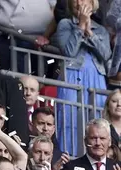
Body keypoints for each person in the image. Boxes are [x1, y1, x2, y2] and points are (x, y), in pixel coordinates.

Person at [53, 0, 111, 155]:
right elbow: (69, 51)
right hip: (72, 76)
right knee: (70, 118)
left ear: (93, 4)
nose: (80, 2)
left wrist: (90, 32)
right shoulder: (65, 24)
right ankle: (69, 157)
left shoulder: (101, 30)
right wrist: (80, 27)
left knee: (97, 119)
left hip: (96, 78)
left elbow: (106, 54)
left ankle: (96, 157)